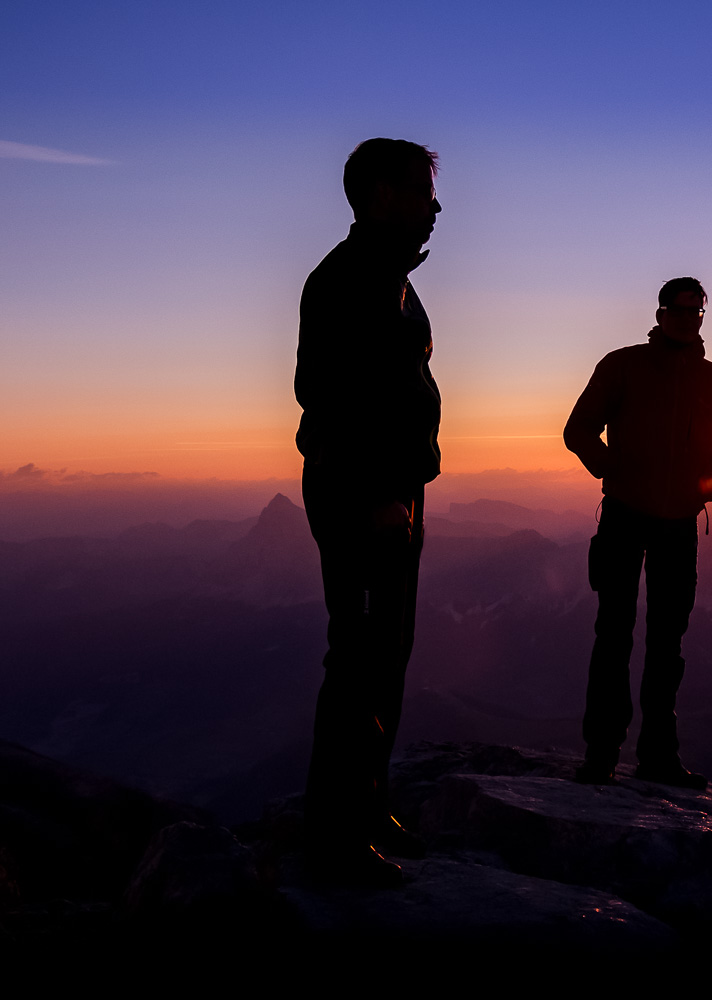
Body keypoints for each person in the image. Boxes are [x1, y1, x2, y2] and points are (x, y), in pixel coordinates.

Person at [294, 138, 442, 886]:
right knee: (357, 660)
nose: (435, 206)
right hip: (363, 491)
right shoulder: (349, 278)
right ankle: (336, 837)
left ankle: (368, 807)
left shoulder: (390, 278)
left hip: (395, 490)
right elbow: (334, 396)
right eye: (422, 190)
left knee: (386, 656)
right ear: (381, 193)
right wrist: (380, 492)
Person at [563, 277, 712, 789]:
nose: (688, 319)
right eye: (679, 310)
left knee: (668, 641)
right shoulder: (622, 365)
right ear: (660, 313)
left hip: (679, 524)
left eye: (697, 312)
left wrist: (700, 492)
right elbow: (578, 429)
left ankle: (659, 755)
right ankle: (602, 753)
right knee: (613, 634)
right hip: (624, 515)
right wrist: (611, 472)